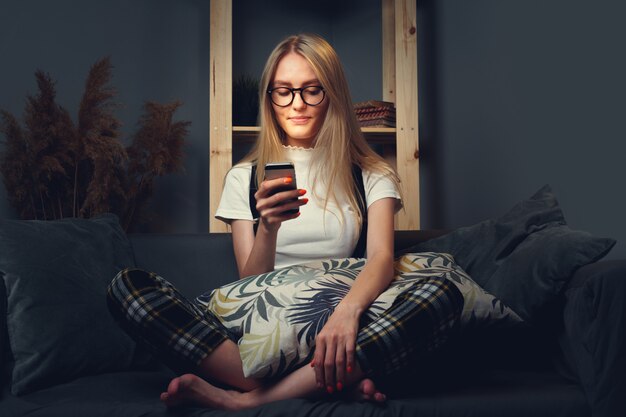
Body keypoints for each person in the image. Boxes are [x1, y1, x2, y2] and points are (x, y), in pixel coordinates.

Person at [107, 33, 462, 411]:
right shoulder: (243, 177)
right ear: (269, 98)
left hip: (340, 326)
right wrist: (269, 228)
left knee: (442, 295)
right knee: (127, 287)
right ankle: (324, 381)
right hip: (263, 328)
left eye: (312, 90)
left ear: (334, 94)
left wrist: (345, 316)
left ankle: (248, 400)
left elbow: (379, 259)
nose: (297, 104)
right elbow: (250, 283)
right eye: (283, 91)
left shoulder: (372, 173)